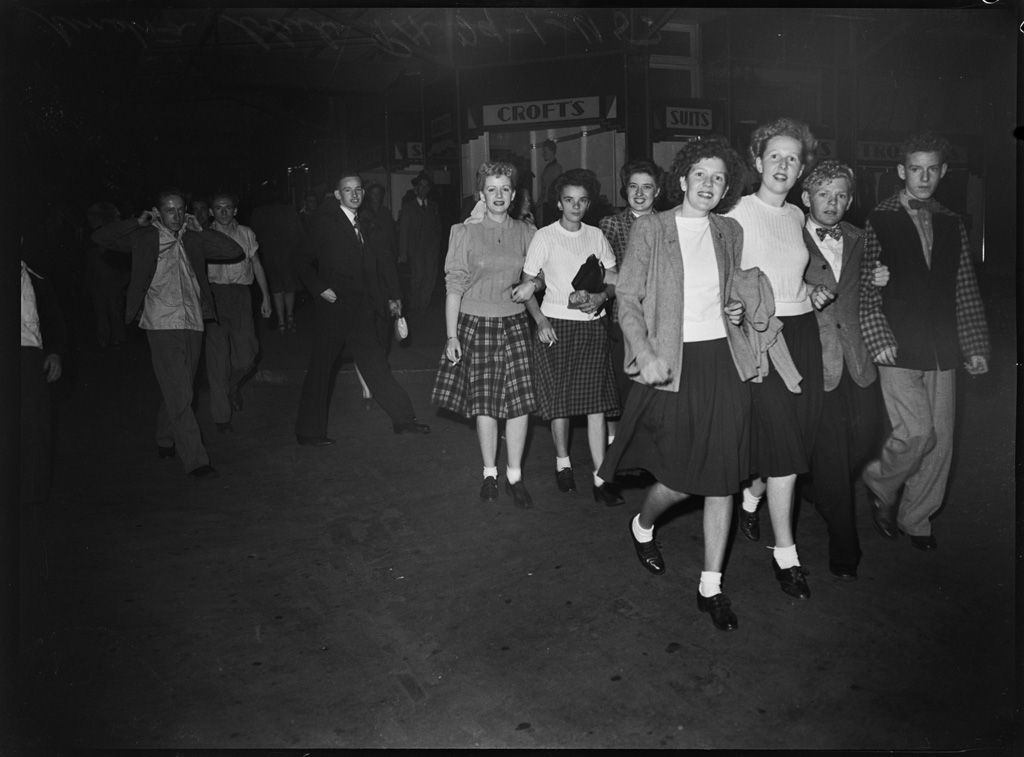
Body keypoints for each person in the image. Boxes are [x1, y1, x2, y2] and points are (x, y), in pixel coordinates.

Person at [599, 138, 750, 631]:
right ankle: (642, 524)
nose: (709, 185)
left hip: (722, 361)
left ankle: (712, 586)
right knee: (681, 479)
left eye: (719, 178)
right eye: (701, 175)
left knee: (724, 476)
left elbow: (730, 292)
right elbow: (628, 298)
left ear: (727, 188)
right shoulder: (653, 229)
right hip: (672, 360)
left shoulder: (729, 230)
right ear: (682, 180)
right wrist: (644, 352)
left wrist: (736, 309)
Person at [859, 132, 989, 551]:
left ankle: (917, 520)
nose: (924, 176)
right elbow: (865, 288)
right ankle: (880, 482)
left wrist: (975, 346)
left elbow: (965, 289)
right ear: (901, 171)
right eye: (916, 168)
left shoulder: (953, 221)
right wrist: (877, 338)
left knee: (941, 443)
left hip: (943, 347)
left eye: (933, 169)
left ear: (944, 172)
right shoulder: (877, 218)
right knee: (917, 433)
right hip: (895, 345)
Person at [724, 117, 825, 600]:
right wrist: (733, 308)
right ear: (757, 160)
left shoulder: (797, 217)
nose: (783, 165)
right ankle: (787, 555)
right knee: (786, 450)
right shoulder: (738, 211)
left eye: (792, 158)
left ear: (802, 168)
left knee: (795, 443)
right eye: (775, 156)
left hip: (804, 332)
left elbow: (788, 275)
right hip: (764, 338)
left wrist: (811, 290)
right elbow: (726, 275)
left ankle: (751, 497)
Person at [91, 188, 246, 479]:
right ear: (157, 211)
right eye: (169, 210)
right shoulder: (144, 236)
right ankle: (196, 460)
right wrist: (135, 223)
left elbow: (234, 251)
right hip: (161, 321)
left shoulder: (192, 236)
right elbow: (100, 237)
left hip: (193, 321)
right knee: (180, 392)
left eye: (180, 209)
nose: (175, 215)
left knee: (181, 389)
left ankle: (164, 436)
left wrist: (201, 230)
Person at [431, 162, 550, 508]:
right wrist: (451, 336)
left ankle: (515, 475)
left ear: (513, 196)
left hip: (514, 324)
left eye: (505, 190)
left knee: (519, 405)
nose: (498, 195)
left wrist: (533, 284)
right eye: (491, 189)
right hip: (475, 324)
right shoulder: (463, 232)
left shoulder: (528, 232)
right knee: (485, 404)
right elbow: (454, 287)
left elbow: (543, 274)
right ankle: (489, 474)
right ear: (481, 194)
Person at [292, 171, 430, 445]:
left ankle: (403, 419)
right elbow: (299, 258)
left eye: (358, 189)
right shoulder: (326, 222)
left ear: (363, 193)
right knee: (322, 366)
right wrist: (320, 288)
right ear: (337, 195)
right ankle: (308, 431)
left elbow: (382, 262)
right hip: (335, 307)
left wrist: (393, 295)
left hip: (363, 308)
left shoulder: (367, 223)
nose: (354, 194)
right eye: (347, 190)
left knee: (376, 364)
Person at [800, 160, 889, 580]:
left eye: (840, 196)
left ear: (850, 200)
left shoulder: (861, 238)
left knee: (866, 439)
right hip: (816, 363)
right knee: (834, 455)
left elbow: (873, 292)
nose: (832, 203)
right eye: (823, 194)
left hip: (858, 360)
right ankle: (844, 550)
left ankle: (813, 486)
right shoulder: (790, 238)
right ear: (806, 199)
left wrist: (882, 279)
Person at [521, 168, 624, 507]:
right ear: (559, 202)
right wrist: (540, 322)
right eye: (569, 200)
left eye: (581, 200)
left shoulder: (595, 235)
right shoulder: (544, 236)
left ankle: (600, 475)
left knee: (595, 403)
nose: (575, 206)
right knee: (560, 401)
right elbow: (528, 286)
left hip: (592, 325)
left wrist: (601, 297)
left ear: (589, 202)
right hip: (556, 325)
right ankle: (563, 464)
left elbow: (614, 278)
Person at [598, 158, 664, 442]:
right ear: (625, 190)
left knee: (656, 389)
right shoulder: (610, 225)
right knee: (621, 387)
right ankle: (617, 447)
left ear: (657, 191)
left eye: (646, 187)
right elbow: (603, 274)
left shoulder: (669, 224)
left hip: (661, 318)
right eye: (633, 187)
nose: (639, 193)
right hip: (622, 317)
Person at [205, 192, 272, 432]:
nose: (223, 211)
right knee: (217, 359)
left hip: (241, 296)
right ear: (211, 211)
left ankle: (230, 388)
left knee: (247, 356)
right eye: (218, 207)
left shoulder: (246, 233)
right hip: (213, 296)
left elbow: (256, 265)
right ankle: (221, 415)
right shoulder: (203, 236)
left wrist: (265, 296)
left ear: (235, 210)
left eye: (228, 207)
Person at [21, 258, 67, 506]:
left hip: (31, 357)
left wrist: (55, 352)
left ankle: (33, 499)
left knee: (36, 430)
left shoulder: (36, 278)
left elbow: (54, 320)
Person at [355, 180, 403, 410]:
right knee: (368, 343)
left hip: (380, 296)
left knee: (377, 343)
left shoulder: (381, 226)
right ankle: (367, 390)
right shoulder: (359, 237)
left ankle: (369, 387)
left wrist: (395, 298)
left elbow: (390, 267)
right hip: (364, 297)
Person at [249, 184, 305, 334]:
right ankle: (290, 317)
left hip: (269, 256)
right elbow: (299, 234)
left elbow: (254, 236)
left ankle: (280, 321)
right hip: (288, 255)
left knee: (276, 288)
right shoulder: (289, 210)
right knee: (289, 287)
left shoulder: (258, 212)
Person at [84, 201, 129, 350]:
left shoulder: (107, 236)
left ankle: (112, 338)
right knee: (106, 311)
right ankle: (111, 338)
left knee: (109, 311)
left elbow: (121, 261)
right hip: (104, 281)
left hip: (109, 280)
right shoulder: (97, 237)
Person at [398, 171, 443, 315]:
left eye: (426, 186)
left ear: (428, 189)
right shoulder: (409, 207)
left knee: (430, 277)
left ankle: (423, 308)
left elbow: (438, 228)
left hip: (431, 250)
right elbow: (403, 230)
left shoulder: (434, 206)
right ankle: (414, 306)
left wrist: (437, 245)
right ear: (416, 189)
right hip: (416, 249)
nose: (423, 189)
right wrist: (403, 252)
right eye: (421, 186)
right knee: (419, 277)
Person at [537, 139, 563, 227]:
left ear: (552, 152)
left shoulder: (556, 168)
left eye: (545, 151)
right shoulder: (547, 167)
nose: (543, 154)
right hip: (545, 203)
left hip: (551, 204)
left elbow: (556, 189)